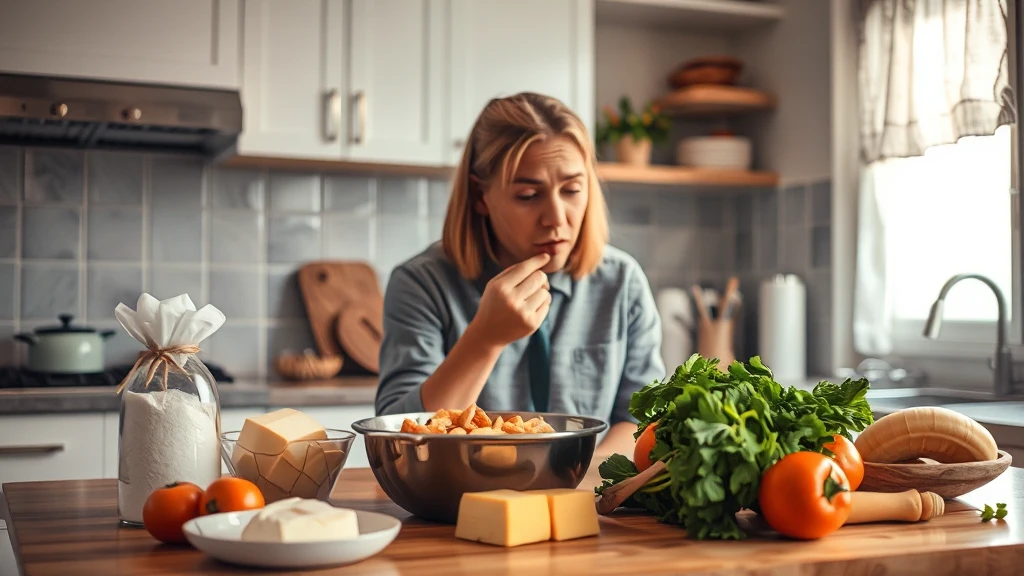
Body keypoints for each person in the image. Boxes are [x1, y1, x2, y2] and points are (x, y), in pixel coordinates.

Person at [375, 92, 665, 459]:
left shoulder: (622, 283)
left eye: (572, 190)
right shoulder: (421, 284)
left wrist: (582, 482)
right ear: (481, 195)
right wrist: (485, 339)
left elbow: (639, 420)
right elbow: (399, 439)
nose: (557, 218)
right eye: (529, 195)